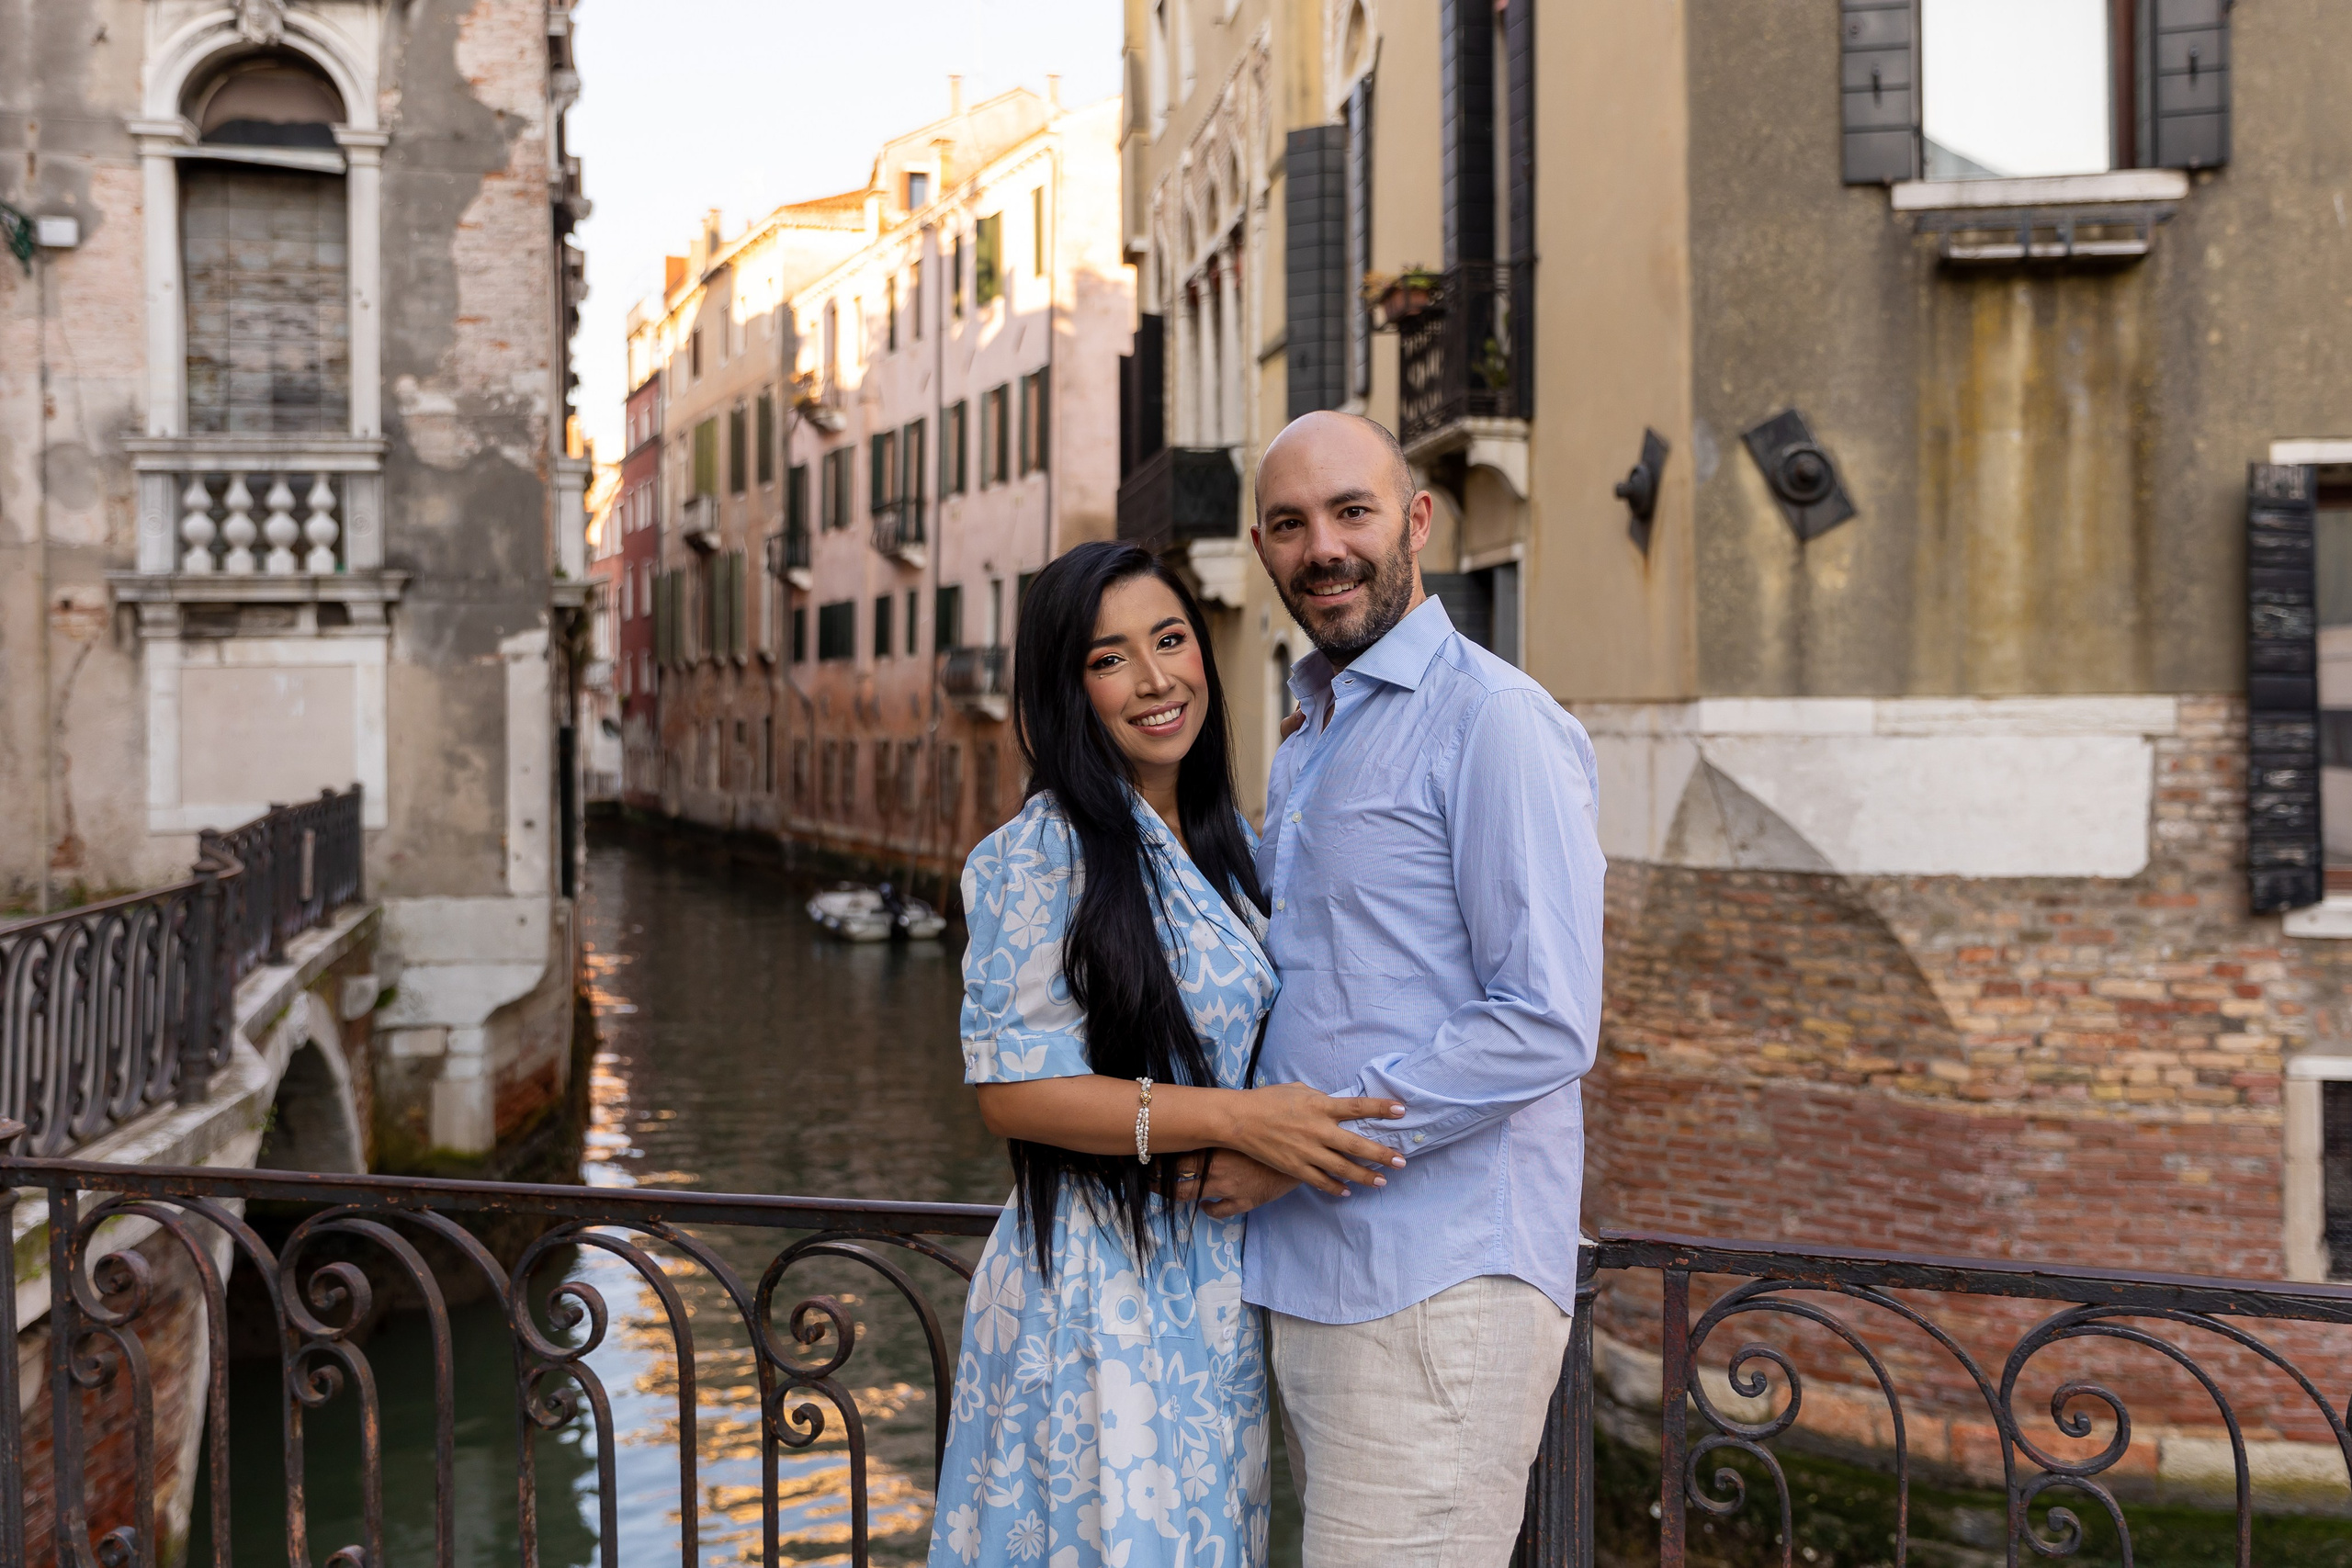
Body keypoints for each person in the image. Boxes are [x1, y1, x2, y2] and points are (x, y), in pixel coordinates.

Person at [929, 539, 1409, 1568]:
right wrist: (1243, 1121)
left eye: (1171, 640)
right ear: (1068, 690)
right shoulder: (1038, 852)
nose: (1155, 679)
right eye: (1109, 659)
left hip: (1211, 1285)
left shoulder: (1224, 845)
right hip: (1092, 1291)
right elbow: (1015, 1090)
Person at [1198, 412, 1607, 1568]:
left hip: (1437, 1284)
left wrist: (1294, 1150)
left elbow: (1544, 1020)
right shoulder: (1314, 731)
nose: (1322, 547)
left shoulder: (1493, 720)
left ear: (1415, 522)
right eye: (1289, 525)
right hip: (1316, 1274)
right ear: (1263, 548)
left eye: (1352, 512)